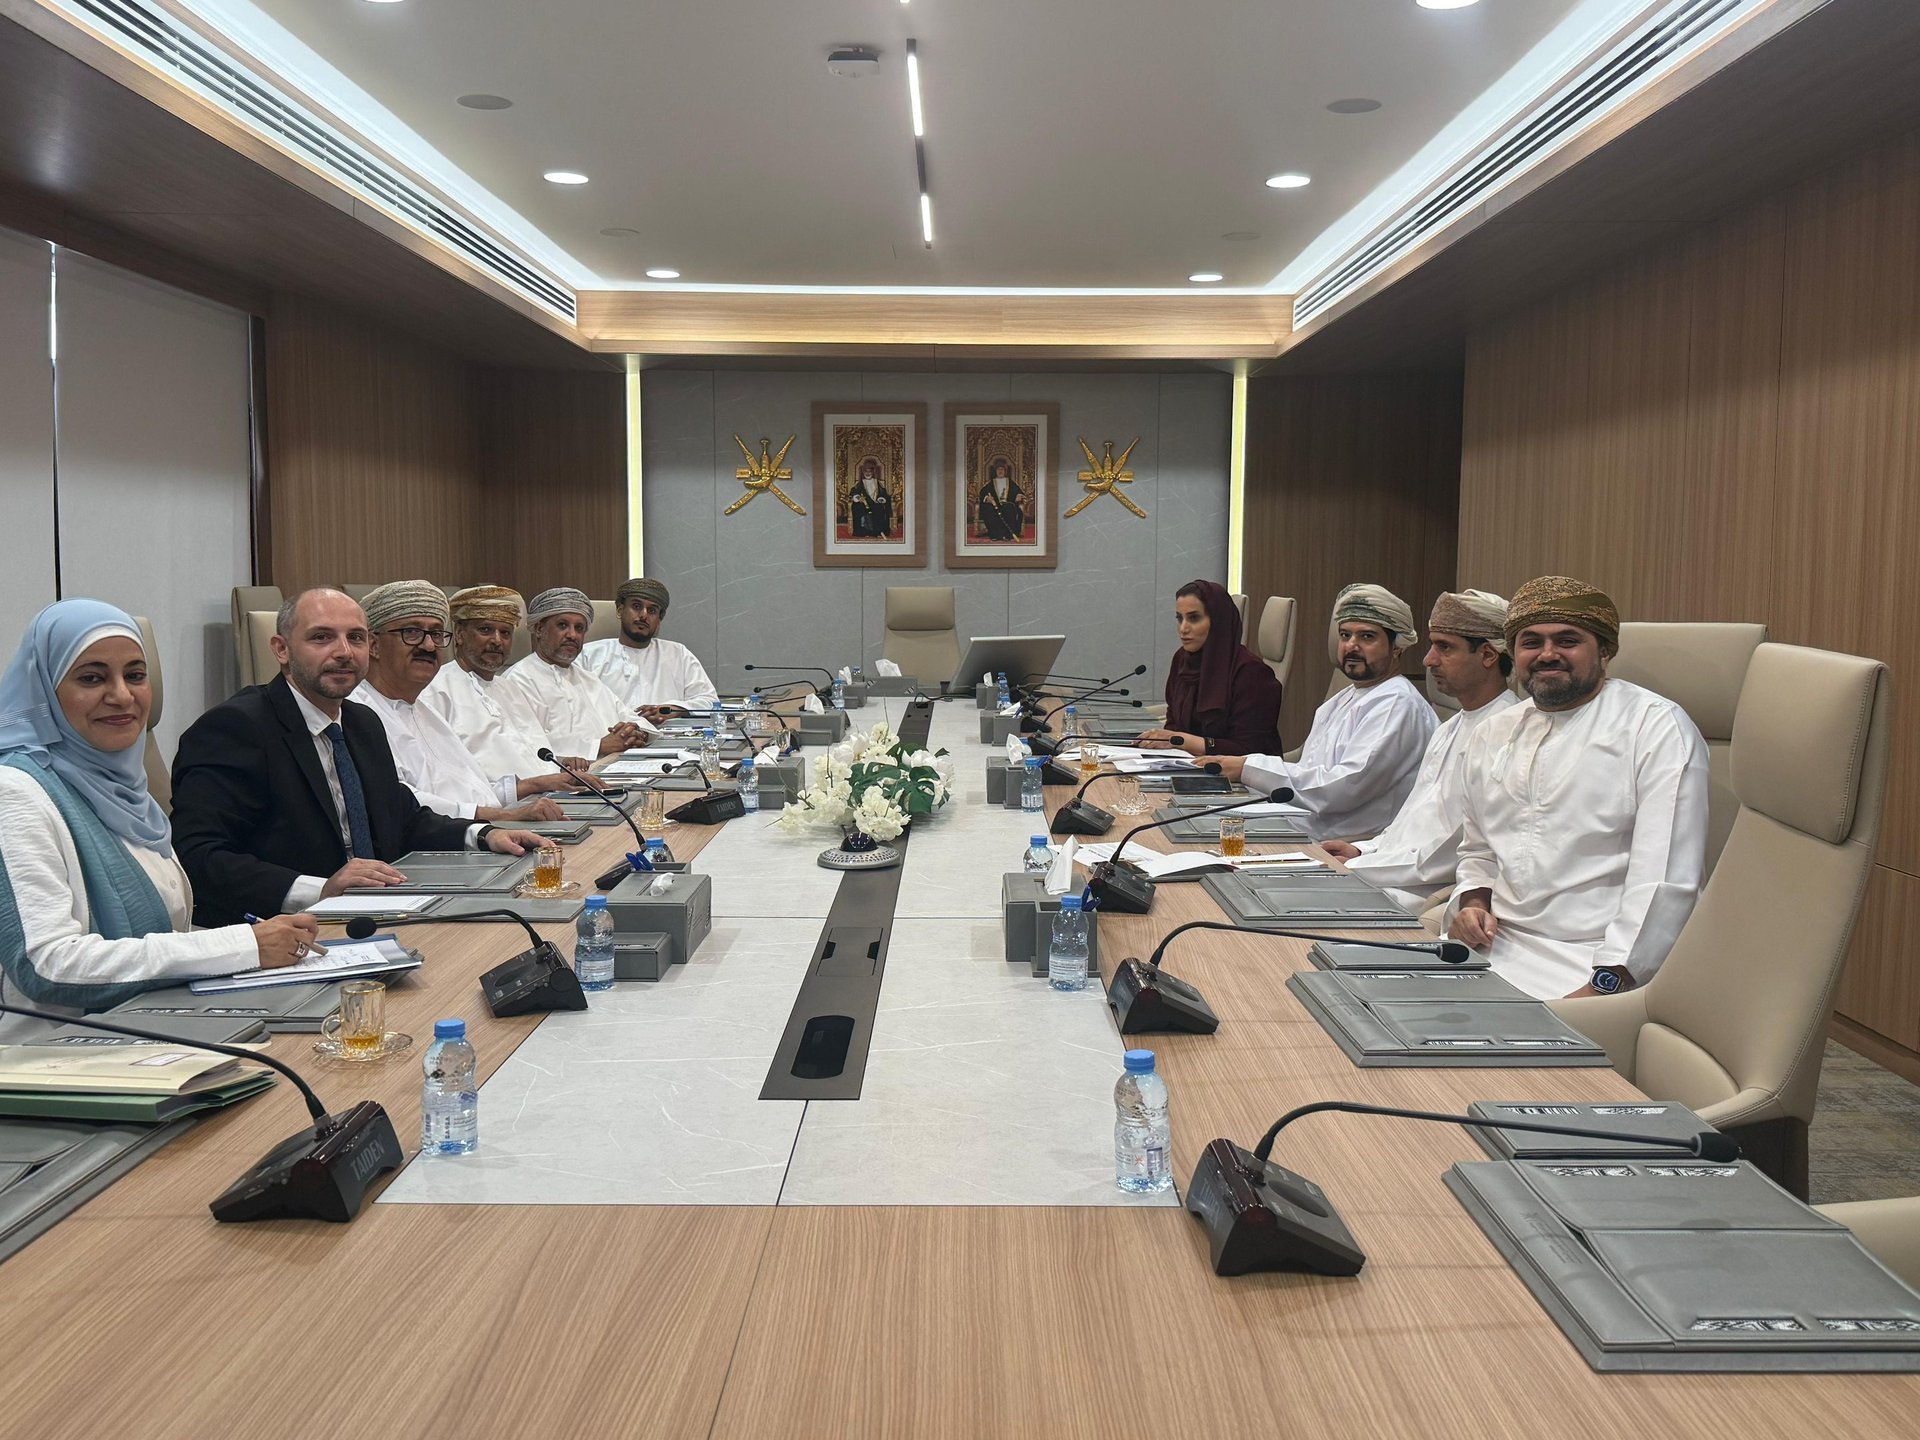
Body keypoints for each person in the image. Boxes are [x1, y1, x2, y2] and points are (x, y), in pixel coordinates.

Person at [0, 600, 317, 1025]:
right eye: (92, 678)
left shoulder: (124, 788)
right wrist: (242, 946)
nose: (121, 695)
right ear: (45, 692)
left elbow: (167, 942)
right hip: (59, 1057)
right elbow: (47, 966)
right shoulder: (16, 792)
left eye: (135, 675)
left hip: (153, 1027)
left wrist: (271, 941)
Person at [171, 588, 544, 927]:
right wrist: (319, 889)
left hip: (372, 913)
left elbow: (401, 817)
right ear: (281, 649)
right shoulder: (236, 727)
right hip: (281, 928)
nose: (344, 652)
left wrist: (484, 835)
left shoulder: (361, 722)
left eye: (355, 638)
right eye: (321, 637)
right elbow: (198, 857)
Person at [1446, 576, 1709, 1000]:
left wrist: (1606, 983)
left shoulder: (1655, 727)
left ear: (1604, 651)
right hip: (1491, 948)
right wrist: (1472, 904)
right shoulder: (1493, 732)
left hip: (1588, 964)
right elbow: (1478, 850)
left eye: (1567, 640)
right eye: (1531, 641)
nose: (1547, 654)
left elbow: (1664, 882)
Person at [1321, 590, 1519, 912]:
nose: (1428, 660)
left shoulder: (1506, 734)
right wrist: (1363, 851)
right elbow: (1411, 823)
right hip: (1388, 873)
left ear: (1487, 655)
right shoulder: (1450, 726)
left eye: (1444, 647)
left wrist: (1359, 868)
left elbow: (1451, 851)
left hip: (1423, 893)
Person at [1210, 583, 1436, 839]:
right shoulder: (1346, 697)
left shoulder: (1397, 704)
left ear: (1397, 646)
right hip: (1306, 824)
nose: (1351, 646)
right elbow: (1311, 771)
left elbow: (1343, 788)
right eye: (1345, 635)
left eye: (1367, 636)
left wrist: (1249, 768)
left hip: (1344, 844)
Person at [348, 581, 571, 822]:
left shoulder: (422, 710)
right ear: (373, 645)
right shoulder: (357, 715)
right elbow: (404, 804)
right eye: (411, 632)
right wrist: (503, 816)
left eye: (435, 633)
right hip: (443, 847)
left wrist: (529, 792)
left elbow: (472, 792)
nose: (429, 645)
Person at [419, 585, 578, 780]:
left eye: (505, 633)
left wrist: (561, 764)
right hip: (499, 806)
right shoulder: (435, 691)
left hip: (549, 794)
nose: (497, 641)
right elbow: (448, 777)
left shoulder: (509, 688)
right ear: (459, 634)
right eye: (485, 630)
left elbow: (529, 752)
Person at [1136, 579, 1282, 757]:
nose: (1183, 628)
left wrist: (1184, 742)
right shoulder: (1182, 660)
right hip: (1188, 768)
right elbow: (1173, 724)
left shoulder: (1251, 673)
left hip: (1241, 780)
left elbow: (1251, 750)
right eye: (1179, 618)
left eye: (1194, 618)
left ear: (1218, 621)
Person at [499, 589, 648, 759]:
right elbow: (526, 743)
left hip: (620, 767)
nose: (572, 635)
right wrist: (597, 746)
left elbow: (630, 717)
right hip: (566, 778)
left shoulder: (588, 678)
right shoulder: (518, 680)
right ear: (539, 629)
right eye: (562, 625)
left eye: (579, 628)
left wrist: (635, 732)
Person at [578, 577, 718, 727]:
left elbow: (710, 701)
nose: (644, 615)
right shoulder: (589, 655)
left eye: (652, 610)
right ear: (620, 610)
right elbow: (573, 706)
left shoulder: (678, 654)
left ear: (659, 619)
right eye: (637, 606)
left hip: (668, 741)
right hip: (609, 741)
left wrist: (673, 709)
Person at [976, 458, 1025, 542]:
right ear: (995, 471)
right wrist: (987, 498)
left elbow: (1019, 492)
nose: (1000, 471)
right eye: (998, 469)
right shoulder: (990, 483)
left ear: (1005, 471)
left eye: (1002, 469)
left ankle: (1008, 535)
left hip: (1007, 505)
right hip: (995, 506)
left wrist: (1018, 496)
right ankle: (996, 535)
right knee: (989, 511)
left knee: (1009, 508)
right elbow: (982, 493)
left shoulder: (1010, 482)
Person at [847, 457, 895, 538]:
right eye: (866, 471)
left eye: (870, 471)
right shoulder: (859, 483)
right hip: (863, 504)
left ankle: (879, 532)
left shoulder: (878, 483)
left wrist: (881, 499)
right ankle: (864, 532)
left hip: (876, 504)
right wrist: (858, 498)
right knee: (860, 509)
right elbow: (854, 493)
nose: (868, 473)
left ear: (873, 472)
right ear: (863, 472)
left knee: (879, 509)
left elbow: (883, 494)